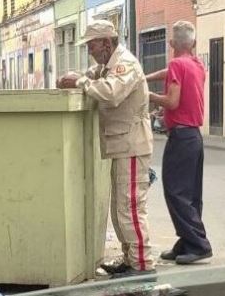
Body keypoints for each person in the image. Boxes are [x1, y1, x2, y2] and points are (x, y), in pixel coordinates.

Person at [57, 20, 154, 277]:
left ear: (107, 43)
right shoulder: (107, 65)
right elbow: (95, 75)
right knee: (120, 208)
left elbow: (111, 93)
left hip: (132, 144)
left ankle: (142, 264)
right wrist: (78, 77)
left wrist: (80, 83)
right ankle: (130, 257)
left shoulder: (126, 64)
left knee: (130, 207)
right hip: (122, 145)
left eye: (92, 44)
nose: (89, 49)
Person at [147, 20, 213, 265]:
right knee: (192, 193)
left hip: (181, 137)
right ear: (193, 43)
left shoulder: (177, 64)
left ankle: (198, 244)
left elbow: (172, 102)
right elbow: (170, 72)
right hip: (194, 136)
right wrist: (147, 77)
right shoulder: (196, 64)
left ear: (171, 43)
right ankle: (187, 240)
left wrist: (147, 94)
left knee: (175, 192)